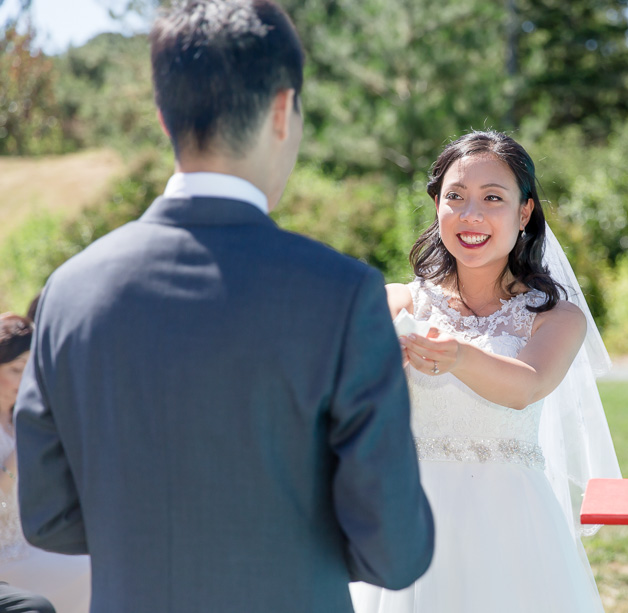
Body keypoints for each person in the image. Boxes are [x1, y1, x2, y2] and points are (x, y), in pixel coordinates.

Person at [13, 2, 434, 612]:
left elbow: (47, 516)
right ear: (283, 108)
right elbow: (396, 550)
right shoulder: (341, 294)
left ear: (163, 116)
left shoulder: (68, 292)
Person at [350, 130, 621, 613]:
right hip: (409, 517)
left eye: (492, 198)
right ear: (437, 206)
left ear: (524, 213)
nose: (471, 215)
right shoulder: (394, 301)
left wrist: (459, 357)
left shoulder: (557, 318)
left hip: (512, 526)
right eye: (455, 196)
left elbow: (527, 384)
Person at [1, 313, 88, 613]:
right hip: (8, 554)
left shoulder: (21, 419)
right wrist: (19, 455)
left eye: (30, 370)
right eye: (15, 369)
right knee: (88, 568)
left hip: (38, 537)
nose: (24, 381)